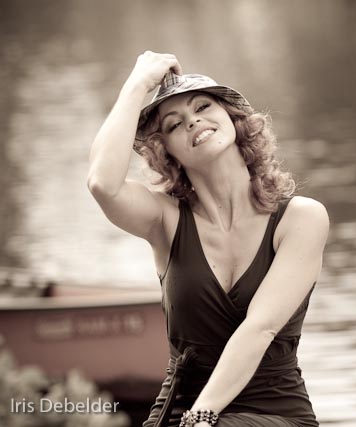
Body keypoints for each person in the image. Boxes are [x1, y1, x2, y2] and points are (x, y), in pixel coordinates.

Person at [87, 51, 329, 427]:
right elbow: (103, 183)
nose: (193, 120)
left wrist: (203, 416)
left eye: (203, 106)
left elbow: (258, 328)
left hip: (273, 414)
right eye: (173, 123)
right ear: (167, 151)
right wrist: (137, 84)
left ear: (233, 120)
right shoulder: (164, 219)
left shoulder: (300, 218)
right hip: (179, 414)